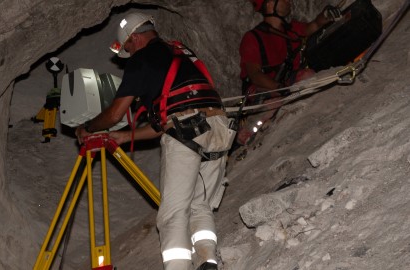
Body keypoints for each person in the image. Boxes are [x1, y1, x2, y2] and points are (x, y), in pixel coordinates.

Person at [75, 12, 235, 270]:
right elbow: (168, 120)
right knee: (199, 204)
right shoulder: (183, 54)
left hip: (186, 132)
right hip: (218, 127)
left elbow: (116, 113)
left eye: (128, 46)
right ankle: (208, 260)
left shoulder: (142, 61)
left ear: (135, 38)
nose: (128, 52)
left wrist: (87, 127)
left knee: (173, 214)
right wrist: (126, 136)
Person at [236, 0, 342, 145]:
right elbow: (254, 74)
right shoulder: (253, 38)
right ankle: (248, 132)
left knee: (308, 76)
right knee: (273, 103)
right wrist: (279, 88)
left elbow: (314, 25)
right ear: (269, 4)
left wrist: (325, 15)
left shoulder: (292, 29)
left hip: (286, 86)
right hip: (263, 91)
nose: (288, 1)